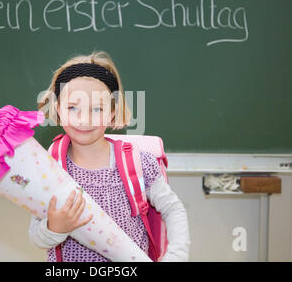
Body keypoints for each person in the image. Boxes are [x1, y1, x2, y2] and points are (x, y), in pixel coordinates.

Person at [29, 50, 190, 262]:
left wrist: (176, 257)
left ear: (112, 112)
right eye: (72, 107)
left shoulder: (138, 163)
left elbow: (173, 209)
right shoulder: (50, 167)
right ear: (58, 109)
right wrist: (55, 228)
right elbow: (36, 236)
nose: (84, 119)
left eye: (96, 109)